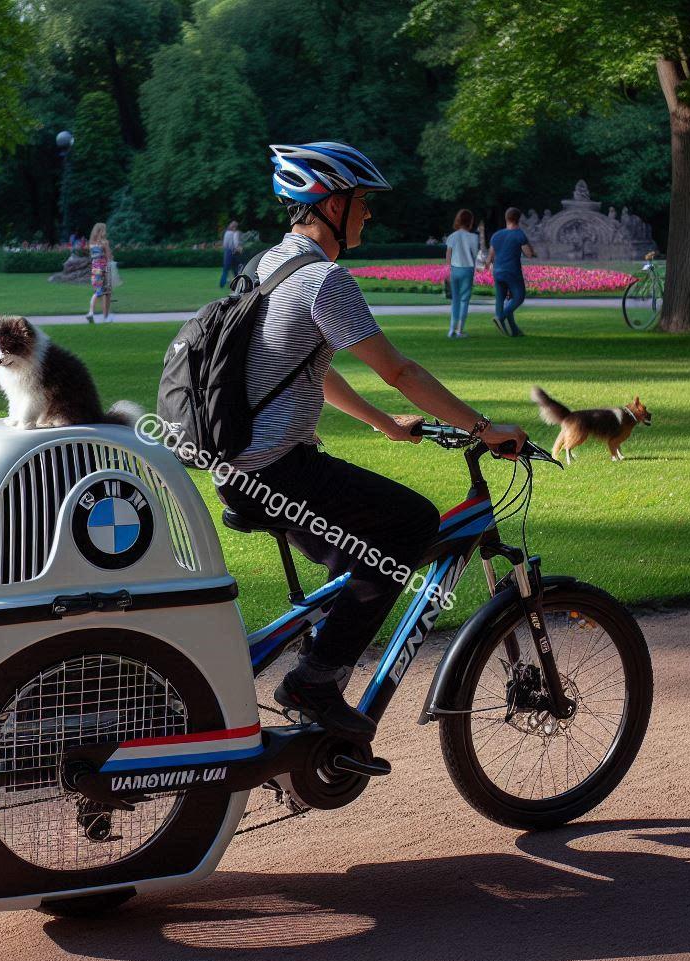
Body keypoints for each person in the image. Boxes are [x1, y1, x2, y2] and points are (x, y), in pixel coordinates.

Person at [214, 141, 527, 741]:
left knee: (369, 559)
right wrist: (485, 430)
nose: (368, 214)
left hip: (244, 470)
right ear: (329, 203)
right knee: (409, 525)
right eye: (361, 201)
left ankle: (317, 687)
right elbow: (399, 371)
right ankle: (315, 681)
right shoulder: (323, 280)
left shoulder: (267, 266)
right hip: (279, 470)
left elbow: (309, 367)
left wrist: (384, 425)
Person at [488, 207, 535, 337]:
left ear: (506, 218)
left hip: (498, 271)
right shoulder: (519, 234)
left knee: (501, 298)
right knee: (518, 297)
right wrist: (531, 250)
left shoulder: (496, 235)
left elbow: (490, 256)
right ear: (518, 219)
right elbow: (529, 254)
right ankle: (500, 317)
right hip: (512, 271)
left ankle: (514, 330)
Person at [444, 209, 479, 338]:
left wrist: (447, 271)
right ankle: (459, 330)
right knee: (464, 301)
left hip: (454, 269)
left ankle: (451, 329)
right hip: (467, 269)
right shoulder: (474, 238)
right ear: (470, 221)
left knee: (455, 300)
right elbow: (475, 255)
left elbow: (448, 255)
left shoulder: (452, 236)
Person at [85, 223, 113, 323]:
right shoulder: (104, 243)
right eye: (104, 230)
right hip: (104, 269)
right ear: (101, 231)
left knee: (98, 292)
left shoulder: (91, 244)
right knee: (106, 292)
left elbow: (93, 256)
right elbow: (109, 257)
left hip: (95, 269)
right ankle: (106, 317)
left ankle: (91, 312)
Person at [220, 219, 243, 287]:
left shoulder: (226, 233)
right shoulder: (235, 233)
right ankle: (236, 283)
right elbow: (236, 244)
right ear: (235, 227)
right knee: (235, 269)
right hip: (234, 252)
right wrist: (239, 248)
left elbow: (224, 244)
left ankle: (222, 284)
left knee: (226, 269)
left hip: (227, 251)